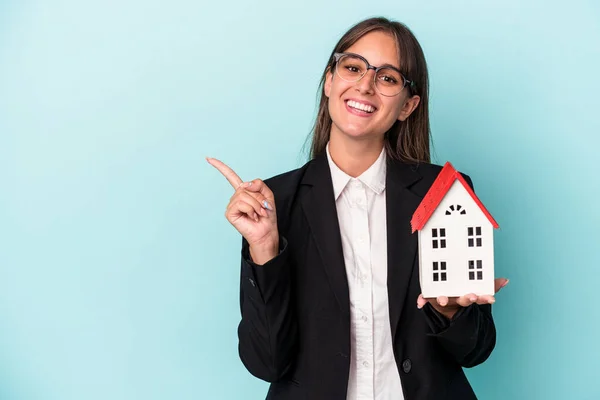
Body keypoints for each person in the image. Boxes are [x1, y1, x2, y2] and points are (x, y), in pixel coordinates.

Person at [207, 16, 508, 400]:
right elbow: (267, 362)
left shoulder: (446, 193)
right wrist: (264, 247)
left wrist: (448, 312)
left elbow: (475, 351)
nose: (365, 85)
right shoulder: (275, 202)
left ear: (407, 105)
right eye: (353, 67)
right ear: (330, 81)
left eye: (387, 78)